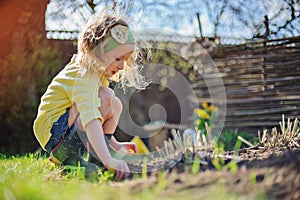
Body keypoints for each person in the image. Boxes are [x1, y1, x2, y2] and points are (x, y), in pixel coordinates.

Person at [33, 12, 148, 181]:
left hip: (64, 125)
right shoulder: (84, 74)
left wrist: (113, 144)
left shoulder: (96, 75)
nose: (123, 65)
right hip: (53, 131)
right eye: (118, 58)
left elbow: (98, 118)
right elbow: (90, 118)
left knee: (113, 102)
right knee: (104, 98)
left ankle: (97, 158)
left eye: (125, 60)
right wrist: (109, 158)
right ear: (100, 52)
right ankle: (66, 156)